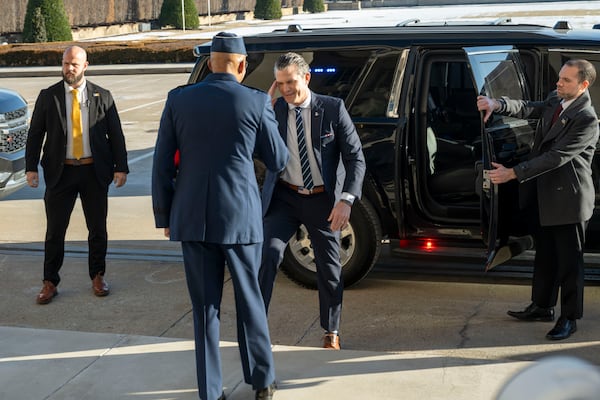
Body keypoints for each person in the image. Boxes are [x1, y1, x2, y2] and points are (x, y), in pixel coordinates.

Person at [152, 32, 288, 400]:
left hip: (192, 217)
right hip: (241, 219)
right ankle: (262, 383)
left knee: (205, 310)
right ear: (242, 65)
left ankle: (210, 392)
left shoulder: (179, 100)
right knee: (251, 303)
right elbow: (278, 160)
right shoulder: (256, 101)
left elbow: (161, 163)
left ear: (211, 62)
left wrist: (165, 215)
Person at [476, 59, 598, 340]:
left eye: (567, 80)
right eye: (560, 78)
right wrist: (498, 104)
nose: (559, 83)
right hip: (544, 195)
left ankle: (570, 318)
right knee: (545, 256)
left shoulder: (586, 119)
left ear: (583, 85)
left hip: (569, 200)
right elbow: (530, 107)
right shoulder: (557, 99)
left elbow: (555, 157)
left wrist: (513, 173)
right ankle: (542, 306)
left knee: (569, 263)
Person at [259, 52, 366, 350]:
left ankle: (331, 331)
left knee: (330, 267)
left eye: (290, 82)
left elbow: (355, 157)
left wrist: (346, 200)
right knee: (267, 254)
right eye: (280, 84)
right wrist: (264, 112)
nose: (286, 89)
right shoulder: (274, 110)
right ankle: (255, 325)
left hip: (322, 200)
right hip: (284, 196)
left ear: (306, 78)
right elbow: (256, 150)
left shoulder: (332, 109)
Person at [26, 45, 129, 305]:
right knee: (54, 231)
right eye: (65, 63)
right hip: (61, 174)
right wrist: (30, 168)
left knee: (97, 229)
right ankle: (50, 282)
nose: (68, 68)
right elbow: (35, 133)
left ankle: (97, 276)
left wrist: (121, 167)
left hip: (94, 172)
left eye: (74, 64)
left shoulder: (102, 96)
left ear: (85, 65)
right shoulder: (49, 96)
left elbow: (115, 134)